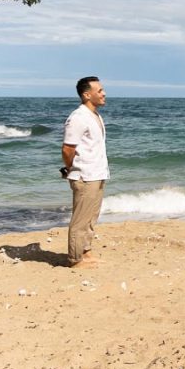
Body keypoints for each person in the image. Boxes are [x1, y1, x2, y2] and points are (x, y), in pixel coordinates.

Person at [61, 76, 109, 268]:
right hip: (84, 175)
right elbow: (67, 149)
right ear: (87, 95)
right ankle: (75, 259)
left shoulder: (95, 115)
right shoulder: (78, 118)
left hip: (97, 173)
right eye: (100, 91)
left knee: (91, 218)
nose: (104, 93)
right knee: (80, 220)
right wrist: (72, 167)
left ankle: (86, 252)